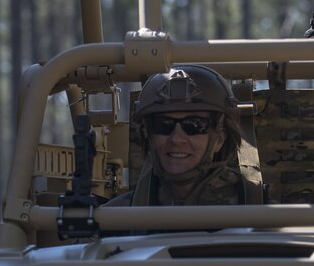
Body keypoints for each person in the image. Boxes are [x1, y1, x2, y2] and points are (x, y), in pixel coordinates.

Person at [107, 65, 262, 207]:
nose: (176, 139)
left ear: (219, 139)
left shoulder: (261, 211)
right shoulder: (116, 218)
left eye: (194, 125)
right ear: (149, 135)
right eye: (163, 125)